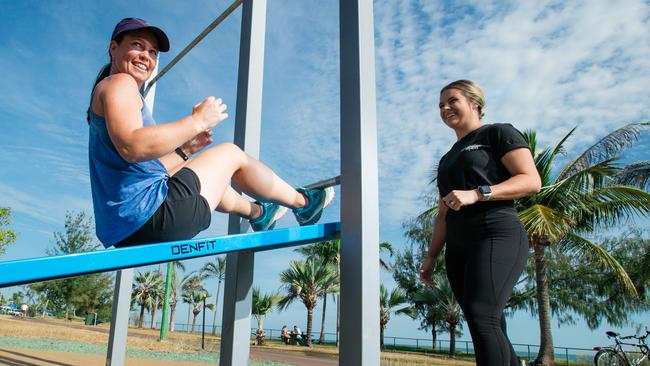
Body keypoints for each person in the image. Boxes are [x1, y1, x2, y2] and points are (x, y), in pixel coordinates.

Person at [88, 18, 334, 248]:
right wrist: (197, 120)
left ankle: (258, 213)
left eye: (152, 52)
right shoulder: (120, 83)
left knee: (201, 173)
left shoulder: (114, 94)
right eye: (137, 45)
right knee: (230, 155)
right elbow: (132, 147)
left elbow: (145, 170)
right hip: (152, 217)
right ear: (113, 48)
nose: (146, 56)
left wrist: (185, 151)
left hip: (126, 231)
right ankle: (304, 204)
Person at [419, 80, 541, 366]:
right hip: (459, 247)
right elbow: (443, 214)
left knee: (481, 314)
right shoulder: (448, 159)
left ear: (475, 103)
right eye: (440, 105)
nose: (445, 108)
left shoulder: (498, 133)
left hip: (495, 231)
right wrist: (431, 256)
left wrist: (478, 193)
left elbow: (530, 180)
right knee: (486, 322)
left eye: (452, 101)